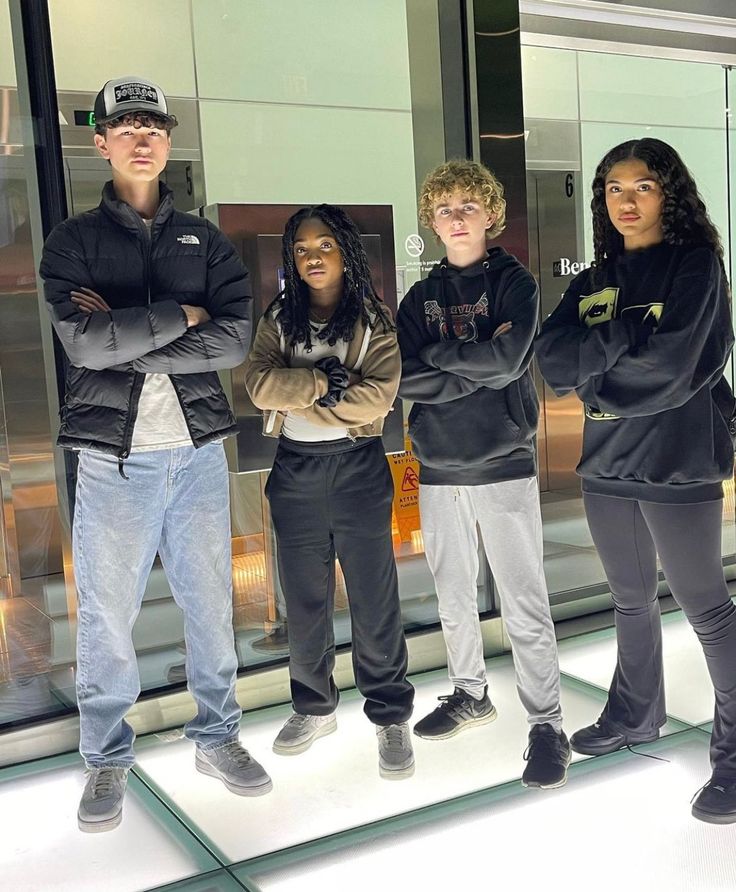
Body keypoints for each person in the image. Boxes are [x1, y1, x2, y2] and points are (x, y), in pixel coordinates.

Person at [40, 76, 271, 833]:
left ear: (167, 143)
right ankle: (105, 759)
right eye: (126, 126)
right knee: (107, 616)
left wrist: (131, 340)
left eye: (154, 126)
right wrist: (182, 316)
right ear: (101, 142)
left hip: (199, 453)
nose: (142, 137)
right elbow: (80, 341)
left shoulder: (204, 238)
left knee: (211, 604)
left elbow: (234, 338)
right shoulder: (73, 241)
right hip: (115, 461)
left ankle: (219, 736)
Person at [535, 137, 736, 824]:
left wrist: (601, 374)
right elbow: (552, 364)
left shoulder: (695, 266)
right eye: (613, 188)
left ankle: (735, 753)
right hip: (606, 465)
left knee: (706, 608)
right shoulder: (595, 278)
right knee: (628, 599)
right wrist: (618, 350)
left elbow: (677, 365)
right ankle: (634, 713)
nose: (626, 199)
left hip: (678, 459)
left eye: (642, 185)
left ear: (668, 192)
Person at [396, 159, 569, 788]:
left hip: (503, 460)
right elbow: (402, 377)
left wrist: (443, 361)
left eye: (469, 205)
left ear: (490, 213)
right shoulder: (419, 298)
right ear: (433, 221)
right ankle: (469, 692)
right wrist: (466, 361)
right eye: (445, 209)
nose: (457, 217)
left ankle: (547, 725)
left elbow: (504, 364)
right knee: (451, 592)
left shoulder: (516, 284)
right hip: (437, 465)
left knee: (523, 598)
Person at [244, 204, 415, 779]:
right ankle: (314, 706)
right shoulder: (279, 316)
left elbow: (378, 399)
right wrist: (324, 380)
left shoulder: (374, 319)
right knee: (305, 597)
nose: (312, 258)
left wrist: (307, 395)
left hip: (358, 466)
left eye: (324, 247)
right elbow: (259, 386)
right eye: (301, 249)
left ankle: (390, 713)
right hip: (294, 469)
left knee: (373, 595)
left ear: (345, 252)